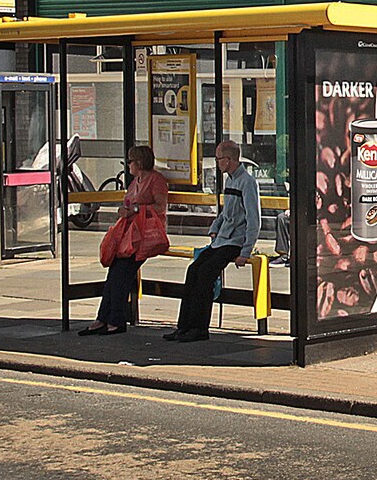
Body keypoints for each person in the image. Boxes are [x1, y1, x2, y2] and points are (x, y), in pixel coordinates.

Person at [166, 140, 261, 343]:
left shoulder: (247, 182)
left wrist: (245, 251)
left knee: (205, 274)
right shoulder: (230, 181)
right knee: (193, 270)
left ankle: (199, 328)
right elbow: (225, 212)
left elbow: (254, 220)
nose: (217, 163)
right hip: (221, 239)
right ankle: (184, 326)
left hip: (235, 241)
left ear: (228, 159)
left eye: (219, 159)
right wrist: (214, 228)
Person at [81, 145, 169, 336]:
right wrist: (124, 210)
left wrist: (136, 210)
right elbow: (128, 203)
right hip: (130, 235)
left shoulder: (156, 180)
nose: (128, 165)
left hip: (146, 235)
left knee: (121, 274)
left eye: (130, 161)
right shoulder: (135, 181)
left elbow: (160, 206)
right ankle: (103, 318)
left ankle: (116, 320)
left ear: (139, 162)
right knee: (114, 273)